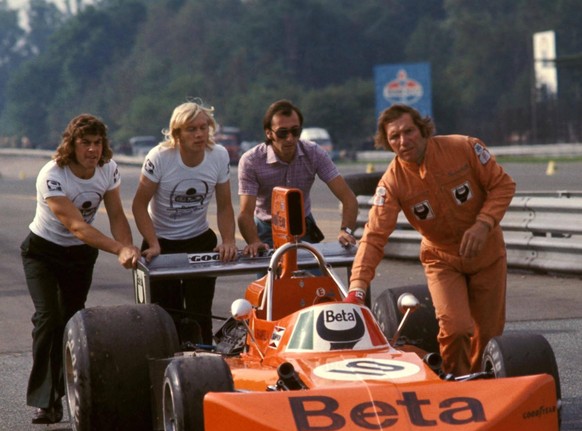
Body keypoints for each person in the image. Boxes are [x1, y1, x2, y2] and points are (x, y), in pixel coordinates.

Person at [345, 104, 516, 376]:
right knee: (456, 328)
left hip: (487, 253)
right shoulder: (391, 183)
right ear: (387, 143)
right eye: (394, 137)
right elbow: (374, 236)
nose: (403, 141)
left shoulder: (464, 148)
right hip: (442, 259)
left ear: (423, 130)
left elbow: (503, 185)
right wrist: (357, 286)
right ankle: (456, 384)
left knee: (488, 335)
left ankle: (485, 385)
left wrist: (483, 224)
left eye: (408, 131)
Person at [21, 114, 141, 424]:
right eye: (84, 143)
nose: (92, 150)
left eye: (97, 143)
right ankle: (45, 401)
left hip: (79, 256)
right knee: (48, 318)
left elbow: (116, 214)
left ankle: (70, 391)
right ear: (71, 145)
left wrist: (128, 247)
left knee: (71, 321)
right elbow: (76, 226)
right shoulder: (53, 174)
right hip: (43, 253)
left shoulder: (108, 170)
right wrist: (116, 248)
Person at [132, 100, 238, 346]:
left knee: (200, 312)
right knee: (168, 315)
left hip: (198, 239)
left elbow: (224, 205)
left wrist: (229, 241)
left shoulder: (218, 155)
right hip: (162, 241)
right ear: (177, 132)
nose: (200, 134)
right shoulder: (160, 156)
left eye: (204, 127)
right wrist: (154, 243)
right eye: (192, 129)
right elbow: (139, 205)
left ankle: (205, 363)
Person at [237, 99, 358, 255]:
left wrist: (345, 231)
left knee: (316, 277)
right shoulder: (251, 161)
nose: (290, 138)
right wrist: (254, 241)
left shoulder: (314, 152)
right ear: (269, 133)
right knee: (271, 278)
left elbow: (348, 198)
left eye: (295, 131)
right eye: (282, 133)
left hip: (303, 226)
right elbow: (245, 213)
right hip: (266, 227)